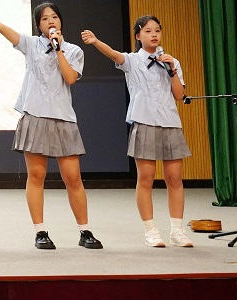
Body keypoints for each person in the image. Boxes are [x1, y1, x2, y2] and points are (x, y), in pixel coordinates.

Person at [0, 1, 103, 250]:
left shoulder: (73, 51)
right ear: (38, 25)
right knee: (37, 175)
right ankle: (40, 232)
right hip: (35, 116)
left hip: (64, 118)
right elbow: (0, 26)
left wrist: (58, 50)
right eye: (45, 19)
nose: (51, 21)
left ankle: (85, 231)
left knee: (73, 177)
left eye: (54, 17)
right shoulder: (30, 45)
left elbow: (70, 78)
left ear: (61, 21)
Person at [82, 16, 193, 248]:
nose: (154, 35)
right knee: (146, 178)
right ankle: (151, 231)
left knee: (175, 178)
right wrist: (95, 41)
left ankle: (177, 231)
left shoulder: (172, 61)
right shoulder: (132, 61)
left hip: (170, 123)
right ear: (138, 36)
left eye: (157, 30)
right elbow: (114, 54)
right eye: (149, 31)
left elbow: (179, 95)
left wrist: (172, 69)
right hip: (144, 121)